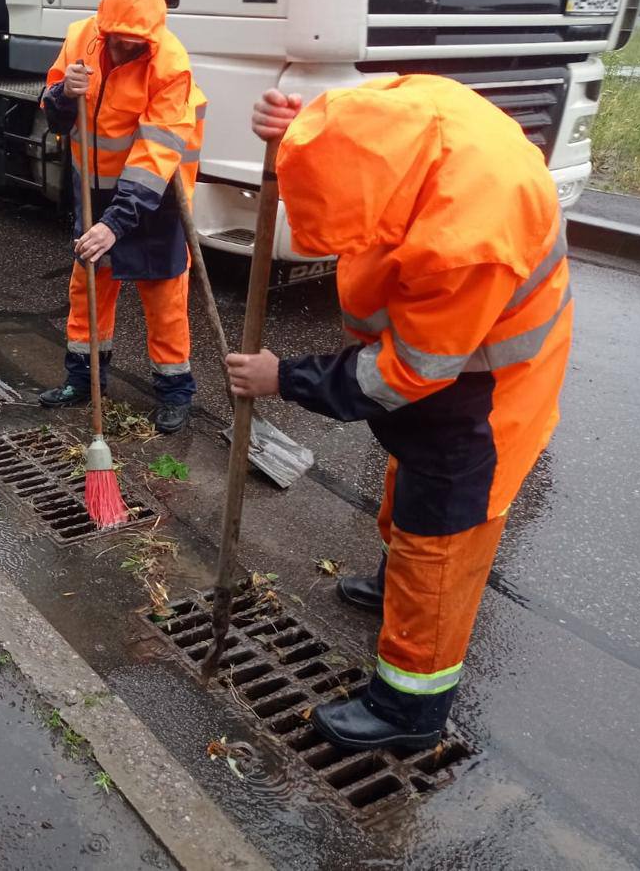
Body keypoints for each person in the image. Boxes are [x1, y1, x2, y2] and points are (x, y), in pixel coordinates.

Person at [230, 76, 572, 750]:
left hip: (487, 391)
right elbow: (343, 130)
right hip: (448, 361)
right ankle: (396, 587)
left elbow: (406, 374)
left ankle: (409, 710)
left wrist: (284, 377)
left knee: (439, 539)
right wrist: (291, 134)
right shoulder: (400, 122)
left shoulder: (468, 236)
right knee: (407, 474)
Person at [37, 0, 206, 435]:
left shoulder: (170, 64)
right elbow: (52, 111)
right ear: (104, 20)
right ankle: (82, 381)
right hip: (91, 192)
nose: (127, 45)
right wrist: (63, 95)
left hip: (153, 199)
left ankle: (175, 391)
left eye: (138, 39)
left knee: (165, 298)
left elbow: (155, 155)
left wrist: (116, 223)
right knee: (88, 291)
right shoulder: (79, 38)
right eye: (119, 35)